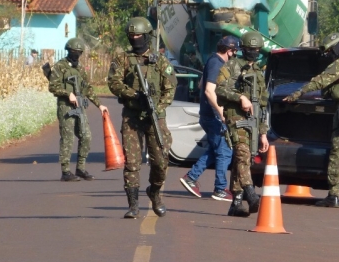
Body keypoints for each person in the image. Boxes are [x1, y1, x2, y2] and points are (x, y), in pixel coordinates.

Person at [283, 33, 339, 209]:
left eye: (330, 50)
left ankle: (333, 196)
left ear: (337, 47)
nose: (329, 54)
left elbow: (320, 81)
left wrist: (297, 93)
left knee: (338, 154)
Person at [107, 17, 177, 219]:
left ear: (147, 36)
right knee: (132, 163)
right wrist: (133, 95)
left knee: (160, 161)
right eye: (132, 36)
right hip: (132, 117)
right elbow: (114, 83)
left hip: (155, 117)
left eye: (138, 35)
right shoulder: (122, 59)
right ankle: (133, 205)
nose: (135, 39)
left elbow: (170, 87)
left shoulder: (160, 60)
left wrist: (158, 106)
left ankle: (154, 192)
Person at [215, 31, 269, 217]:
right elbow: (219, 90)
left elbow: (262, 105)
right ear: (242, 49)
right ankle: (251, 193)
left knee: (243, 158)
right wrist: (240, 98)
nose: (253, 52)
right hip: (236, 117)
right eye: (250, 49)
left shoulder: (258, 73)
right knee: (242, 154)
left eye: (256, 49)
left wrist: (263, 133)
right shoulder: (231, 66)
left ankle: (236, 203)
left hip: (253, 121)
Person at [179, 36, 240, 201]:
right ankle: (220, 189)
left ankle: (191, 178)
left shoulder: (212, 61)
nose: (235, 55)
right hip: (213, 116)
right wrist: (221, 112)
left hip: (208, 114)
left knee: (215, 149)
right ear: (229, 51)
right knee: (225, 151)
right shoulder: (216, 64)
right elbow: (207, 90)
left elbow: (200, 84)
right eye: (234, 52)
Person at [48, 37, 108, 182]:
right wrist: (68, 94)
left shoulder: (80, 68)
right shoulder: (60, 66)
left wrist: (99, 104)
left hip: (79, 106)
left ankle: (81, 168)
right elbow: (53, 86)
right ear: (68, 51)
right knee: (67, 138)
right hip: (65, 107)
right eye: (74, 51)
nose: (76, 54)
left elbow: (87, 88)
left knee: (86, 136)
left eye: (79, 52)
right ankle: (65, 171)